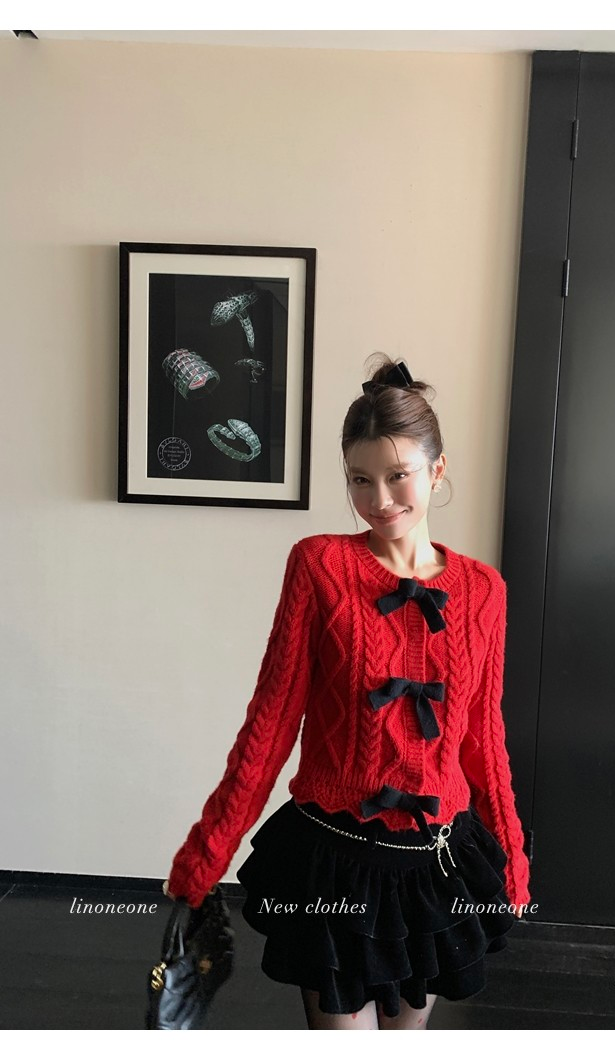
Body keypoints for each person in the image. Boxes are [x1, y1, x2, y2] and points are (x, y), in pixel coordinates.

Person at [164, 353, 532, 1030]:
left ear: (437, 471)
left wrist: (511, 855)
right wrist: (207, 851)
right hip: (334, 861)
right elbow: (271, 722)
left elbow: (484, 738)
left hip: (435, 865)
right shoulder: (320, 566)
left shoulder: (484, 590)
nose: (380, 500)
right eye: (360, 480)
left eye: (398, 476)